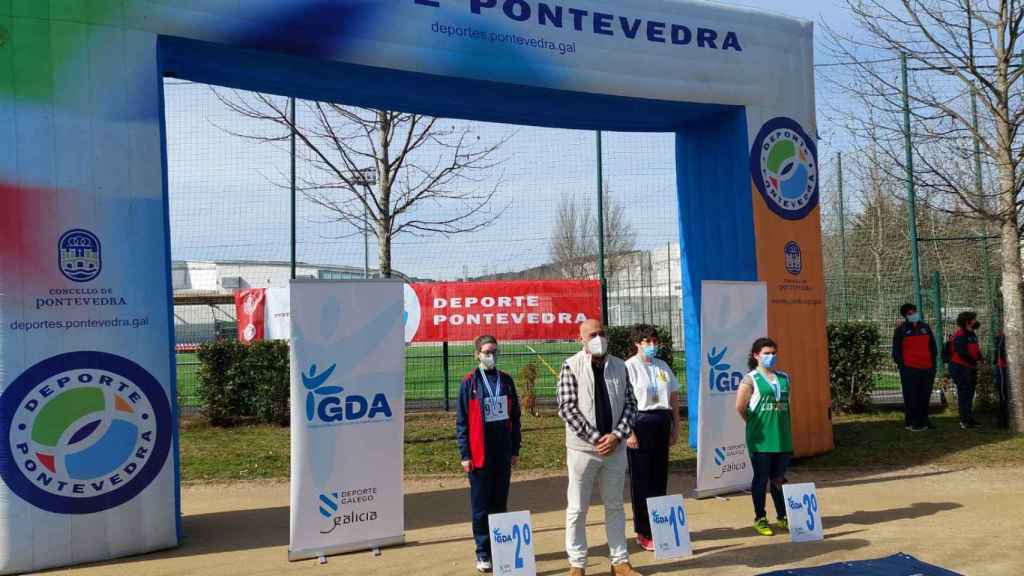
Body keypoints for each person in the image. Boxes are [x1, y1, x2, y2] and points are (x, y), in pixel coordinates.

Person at [557, 318, 641, 576]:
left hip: (615, 450)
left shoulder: (620, 366)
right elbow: (567, 408)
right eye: (592, 334)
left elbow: (631, 404)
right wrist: (596, 438)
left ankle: (620, 562)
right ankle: (577, 565)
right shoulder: (570, 366)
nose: (598, 338)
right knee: (577, 509)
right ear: (580, 338)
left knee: (615, 506)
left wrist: (616, 436)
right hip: (582, 451)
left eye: (601, 333)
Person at [455, 335, 522, 573]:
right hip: (479, 454)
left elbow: (515, 417)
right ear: (477, 354)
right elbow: (462, 422)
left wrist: (515, 448)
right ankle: (483, 552)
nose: (490, 355)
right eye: (486, 352)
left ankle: (500, 548)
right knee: (481, 506)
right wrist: (465, 454)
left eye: (494, 351)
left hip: (502, 452)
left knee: (499, 502)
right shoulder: (469, 383)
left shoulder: (505, 381)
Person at [623, 324, 680, 552]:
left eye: (655, 342)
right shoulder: (629, 367)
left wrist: (675, 426)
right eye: (647, 342)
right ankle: (643, 531)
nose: (652, 346)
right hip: (640, 422)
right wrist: (629, 431)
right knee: (641, 480)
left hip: (662, 420)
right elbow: (622, 401)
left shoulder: (663, 365)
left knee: (659, 477)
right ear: (638, 343)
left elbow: (674, 395)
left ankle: (659, 525)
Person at [735, 337, 792, 537]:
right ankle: (760, 518)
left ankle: (783, 515)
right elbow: (741, 407)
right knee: (761, 479)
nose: (771, 357)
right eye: (766, 353)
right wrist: (755, 425)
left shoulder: (785, 378)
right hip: (760, 439)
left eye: (774, 353)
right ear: (756, 355)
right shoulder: (750, 379)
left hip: (782, 437)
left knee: (778, 479)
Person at [892, 303, 938, 431]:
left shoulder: (925, 327)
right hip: (909, 369)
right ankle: (911, 422)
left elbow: (932, 347)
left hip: (927, 368)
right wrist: (903, 366)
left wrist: (932, 365)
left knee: (925, 395)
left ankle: (924, 420)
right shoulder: (900, 330)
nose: (914, 315)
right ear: (905, 316)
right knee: (911, 396)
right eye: (910, 313)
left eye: (914, 312)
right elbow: (896, 351)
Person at [949, 312, 983, 429]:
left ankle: (969, 417)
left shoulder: (972, 334)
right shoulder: (961, 334)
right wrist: (974, 361)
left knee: (970, 393)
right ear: (967, 321)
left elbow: (975, 350)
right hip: (961, 367)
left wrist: (980, 358)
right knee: (964, 393)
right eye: (973, 319)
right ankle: (964, 420)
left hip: (970, 367)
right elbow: (961, 352)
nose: (975, 321)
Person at [995, 329, 1010, 429]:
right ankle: (1003, 421)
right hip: (1003, 368)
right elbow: (1000, 351)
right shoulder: (1003, 336)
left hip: (1004, 367)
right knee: (1004, 394)